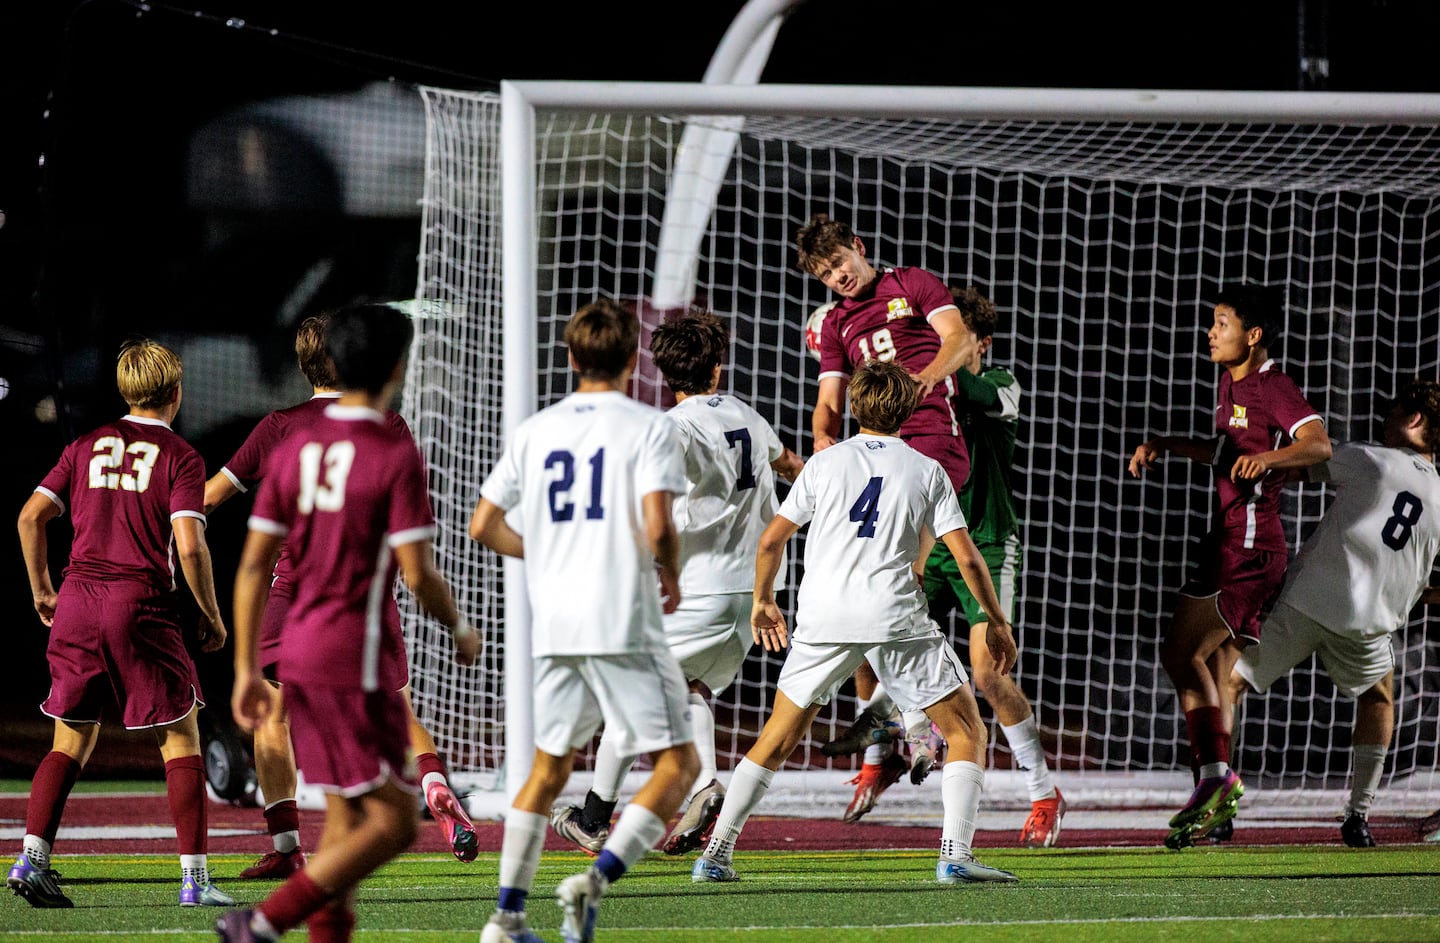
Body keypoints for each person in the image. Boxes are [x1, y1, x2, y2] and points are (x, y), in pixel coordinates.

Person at [691, 360, 1019, 885]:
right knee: (966, 730)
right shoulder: (926, 469)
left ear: (854, 407)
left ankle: (716, 853)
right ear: (908, 410)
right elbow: (968, 558)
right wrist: (997, 621)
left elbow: (771, 540)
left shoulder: (824, 464)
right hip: (894, 616)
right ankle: (955, 854)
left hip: (824, 617)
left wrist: (763, 601)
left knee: (776, 738)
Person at [215, 302, 478, 943]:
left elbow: (251, 567)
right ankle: (263, 922)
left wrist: (245, 667)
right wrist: (459, 626)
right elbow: (417, 574)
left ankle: (294, 891)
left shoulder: (292, 443)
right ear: (394, 369)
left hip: (294, 638)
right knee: (393, 822)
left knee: (341, 822)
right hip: (352, 647)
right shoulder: (391, 445)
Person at [469, 297, 701, 943]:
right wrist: (671, 573)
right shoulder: (648, 426)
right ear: (633, 358)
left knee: (547, 770)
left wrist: (545, 551)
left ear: (571, 358)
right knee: (678, 766)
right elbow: (659, 525)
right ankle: (593, 881)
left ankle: (506, 917)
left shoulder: (535, 430)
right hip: (621, 616)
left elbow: (483, 524)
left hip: (556, 624)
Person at [550, 310, 803, 859]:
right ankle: (705, 786)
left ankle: (593, 818)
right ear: (717, 368)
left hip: (698, 590)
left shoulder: (671, 428)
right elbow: (791, 466)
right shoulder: (746, 413)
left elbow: (651, 510)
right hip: (755, 594)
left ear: (664, 373)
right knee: (689, 688)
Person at [9, 339, 235, 909]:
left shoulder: (84, 445)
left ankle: (31, 857)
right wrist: (211, 614)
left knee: (70, 739)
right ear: (175, 391)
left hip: (77, 603)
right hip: (139, 604)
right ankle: (195, 880)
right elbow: (190, 545)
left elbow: (31, 517)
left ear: (124, 391)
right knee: (179, 738)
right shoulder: (181, 455)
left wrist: (42, 589)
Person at [1128, 283, 1331, 850]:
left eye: (1222, 323)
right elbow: (1226, 454)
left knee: (1180, 653)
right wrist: (1168, 444)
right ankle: (1217, 803)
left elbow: (1319, 445)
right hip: (1236, 542)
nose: (1211, 332)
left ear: (1254, 334)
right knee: (1217, 674)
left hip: (1247, 548)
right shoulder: (1230, 383)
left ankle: (1216, 778)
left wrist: (1269, 458)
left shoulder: (1273, 385)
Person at [796, 213, 977, 821]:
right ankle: (899, 731)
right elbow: (828, 400)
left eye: (839, 263)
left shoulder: (912, 283)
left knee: (898, 582)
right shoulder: (835, 324)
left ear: (859, 246)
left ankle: (902, 722)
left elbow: (959, 340)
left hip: (929, 443)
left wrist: (922, 382)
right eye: (825, 275)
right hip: (875, 453)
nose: (837, 277)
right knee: (874, 588)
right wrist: (823, 438)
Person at [1226, 379, 1440, 847]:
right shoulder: (1439, 498)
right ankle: (1358, 815)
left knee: (1230, 682)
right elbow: (1419, 582)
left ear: (1415, 419)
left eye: (1394, 411)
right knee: (1379, 699)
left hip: (1308, 601)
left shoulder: (1372, 458)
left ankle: (1218, 801)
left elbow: (1297, 466)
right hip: (1368, 625)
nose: (1384, 419)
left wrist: (1251, 452)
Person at [912, 285, 1065, 846]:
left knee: (988, 675)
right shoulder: (932, 393)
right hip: (936, 544)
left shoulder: (999, 385)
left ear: (980, 344)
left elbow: (964, 386)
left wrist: (925, 366)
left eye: (957, 340)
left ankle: (1043, 792)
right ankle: (894, 745)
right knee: (876, 630)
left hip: (989, 542)